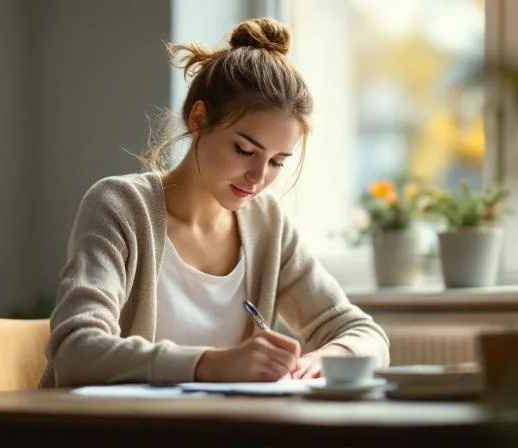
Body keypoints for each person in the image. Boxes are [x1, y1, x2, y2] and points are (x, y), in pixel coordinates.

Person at [38, 17, 389, 388]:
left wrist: (326, 358)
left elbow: (365, 333)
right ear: (199, 119)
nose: (258, 177)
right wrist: (211, 364)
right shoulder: (120, 207)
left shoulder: (267, 224)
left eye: (276, 162)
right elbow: (74, 351)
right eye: (244, 149)